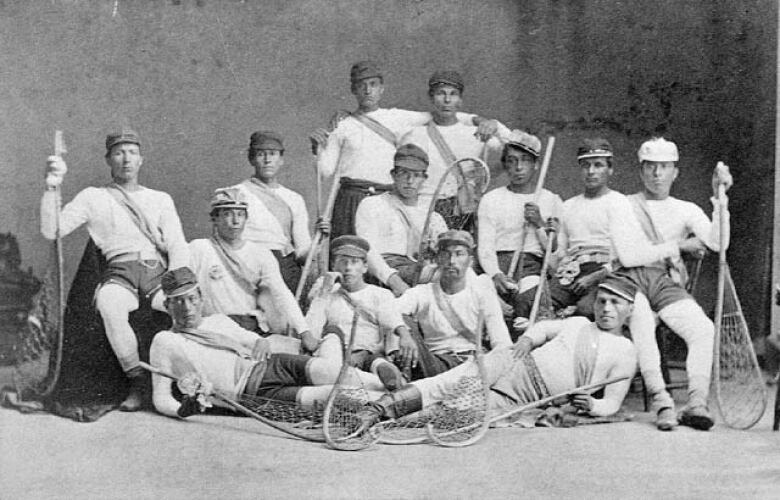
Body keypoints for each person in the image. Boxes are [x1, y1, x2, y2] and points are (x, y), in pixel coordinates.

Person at [358, 274, 639, 426]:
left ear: (630, 309)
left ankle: (386, 423)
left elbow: (612, 403)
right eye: (602, 301)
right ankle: (380, 407)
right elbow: (543, 330)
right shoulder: (579, 322)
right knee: (449, 384)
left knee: (459, 413)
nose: (606, 309)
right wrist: (528, 339)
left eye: (616, 303)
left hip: (531, 396)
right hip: (513, 362)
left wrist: (593, 405)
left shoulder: (625, 352)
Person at [41, 129, 190, 411]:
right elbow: (52, 230)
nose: (126, 159)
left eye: (132, 153)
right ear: (109, 159)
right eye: (119, 153)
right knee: (110, 306)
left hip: (156, 271)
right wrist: (52, 187)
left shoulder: (160, 199)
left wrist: (179, 282)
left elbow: (177, 245)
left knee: (181, 310)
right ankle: (135, 381)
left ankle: (177, 385)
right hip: (119, 271)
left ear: (141, 159)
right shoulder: (94, 197)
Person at [149, 267, 388, 418]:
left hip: (271, 364)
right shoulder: (165, 341)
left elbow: (252, 339)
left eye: (191, 299)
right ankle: (401, 401)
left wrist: (259, 342)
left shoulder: (218, 321)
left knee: (332, 372)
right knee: (332, 396)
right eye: (178, 302)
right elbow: (160, 398)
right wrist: (181, 411)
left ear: (200, 299)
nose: (187, 308)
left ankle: (394, 384)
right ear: (167, 306)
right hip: (251, 393)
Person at [311, 61, 501, 239]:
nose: (368, 90)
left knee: (385, 254)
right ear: (353, 89)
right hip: (350, 198)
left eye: (373, 84)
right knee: (347, 253)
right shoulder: (343, 125)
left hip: (385, 197)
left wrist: (479, 120)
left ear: (381, 88)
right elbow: (325, 172)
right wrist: (318, 149)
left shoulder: (397, 118)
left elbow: (443, 113)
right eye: (362, 85)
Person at [514, 138, 701, 318]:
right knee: (525, 302)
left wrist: (596, 276)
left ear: (610, 169)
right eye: (586, 165)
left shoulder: (620, 202)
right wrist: (545, 231)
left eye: (598, 165)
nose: (591, 171)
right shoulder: (568, 206)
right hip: (571, 272)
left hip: (607, 272)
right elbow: (559, 254)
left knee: (587, 309)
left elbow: (629, 254)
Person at [618, 137, 732, 431]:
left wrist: (721, 200)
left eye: (664, 167)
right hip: (631, 281)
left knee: (703, 329)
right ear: (641, 171)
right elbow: (630, 257)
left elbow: (718, 242)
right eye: (651, 167)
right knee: (642, 321)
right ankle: (661, 400)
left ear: (675, 172)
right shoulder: (624, 205)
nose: (657, 174)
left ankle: (696, 402)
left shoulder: (687, 209)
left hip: (665, 285)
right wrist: (680, 245)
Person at [188, 187, 313, 349]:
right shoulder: (199, 249)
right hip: (214, 330)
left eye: (240, 214)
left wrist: (305, 332)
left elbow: (281, 293)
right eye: (227, 214)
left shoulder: (260, 253)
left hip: (251, 329)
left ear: (246, 218)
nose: (235, 221)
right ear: (215, 218)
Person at [399, 70, 512, 230]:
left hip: (463, 209)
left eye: (453, 94)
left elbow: (515, 150)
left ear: (460, 100)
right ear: (431, 97)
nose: (447, 100)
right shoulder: (415, 135)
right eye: (441, 94)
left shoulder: (474, 135)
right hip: (426, 208)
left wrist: (495, 124)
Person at [394, 230, 512, 380]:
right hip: (433, 364)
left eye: (459, 254)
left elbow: (502, 341)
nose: (451, 261)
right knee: (401, 320)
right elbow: (389, 311)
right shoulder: (422, 293)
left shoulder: (481, 293)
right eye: (446, 254)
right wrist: (404, 333)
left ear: (470, 261)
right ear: (437, 259)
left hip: (469, 364)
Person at [305, 235, 418, 390]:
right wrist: (324, 292)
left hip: (367, 353)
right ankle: (378, 380)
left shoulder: (379, 294)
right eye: (342, 261)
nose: (348, 268)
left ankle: (382, 370)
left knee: (375, 359)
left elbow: (392, 320)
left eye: (354, 262)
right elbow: (311, 333)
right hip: (334, 355)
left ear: (365, 267)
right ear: (333, 265)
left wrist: (404, 335)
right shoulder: (326, 295)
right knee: (333, 334)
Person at [478, 129, 563, 321]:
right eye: (512, 160)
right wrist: (495, 274)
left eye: (525, 160)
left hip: (531, 266)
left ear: (535, 165)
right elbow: (485, 247)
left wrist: (539, 224)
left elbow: (555, 255)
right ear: (505, 165)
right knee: (488, 303)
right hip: (498, 265)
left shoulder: (551, 200)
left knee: (532, 305)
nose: (518, 167)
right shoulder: (491, 199)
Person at [354, 143, 447, 296]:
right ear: (393, 174)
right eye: (404, 173)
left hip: (421, 272)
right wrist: (394, 281)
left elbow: (444, 251)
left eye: (416, 175)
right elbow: (367, 251)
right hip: (385, 274)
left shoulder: (432, 217)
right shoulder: (373, 205)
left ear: (424, 178)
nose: (410, 180)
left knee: (464, 273)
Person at [233, 131, 311, 291]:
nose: (267, 160)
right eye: (261, 154)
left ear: (281, 160)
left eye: (273, 154)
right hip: (249, 264)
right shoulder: (236, 193)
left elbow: (302, 250)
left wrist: (319, 242)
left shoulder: (294, 198)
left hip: (284, 266)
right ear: (251, 159)